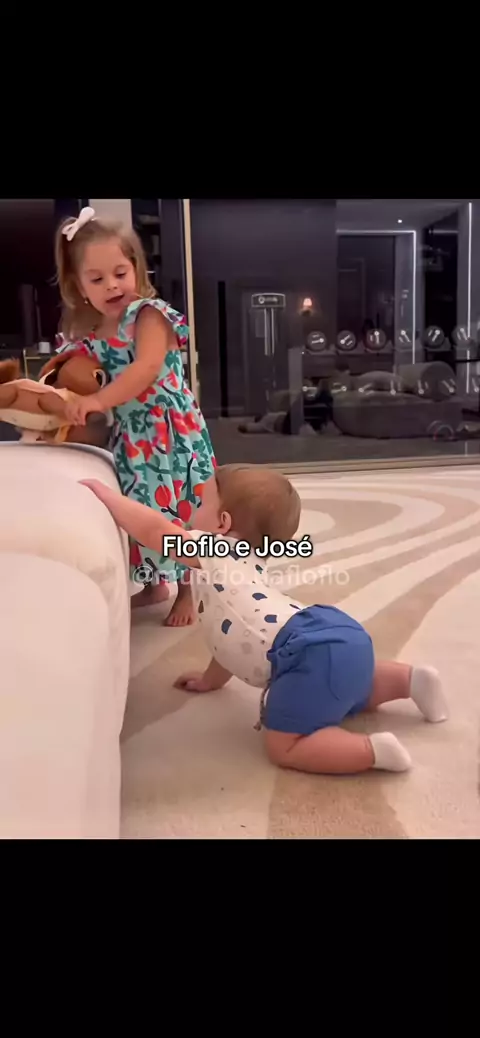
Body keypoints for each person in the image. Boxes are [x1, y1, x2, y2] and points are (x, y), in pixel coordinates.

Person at [80, 465, 448, 775]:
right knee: (354, 687)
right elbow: (233, 635)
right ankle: (411, 680)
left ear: (222, 524)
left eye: (202, 502)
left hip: (305, 652)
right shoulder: (250, 562)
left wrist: (107, 496)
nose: (194, 509)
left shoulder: (212, 549)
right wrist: (210, 680)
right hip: (333, 631)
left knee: (284, 744)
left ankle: (372, 751)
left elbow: (155, 531)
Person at [54, 205, 216, 626]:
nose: (112, 285)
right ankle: (153, 583)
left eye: (120, 273)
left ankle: (188, 588)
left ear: (136, 270)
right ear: (78, 286)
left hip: (171, 432)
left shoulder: (149, 315)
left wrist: (99, 400)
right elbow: (75, 374)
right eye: (97, 279)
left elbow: (145, 370)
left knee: (181, 508)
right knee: (140, 507)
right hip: (132, 436)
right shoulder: (91, 334)